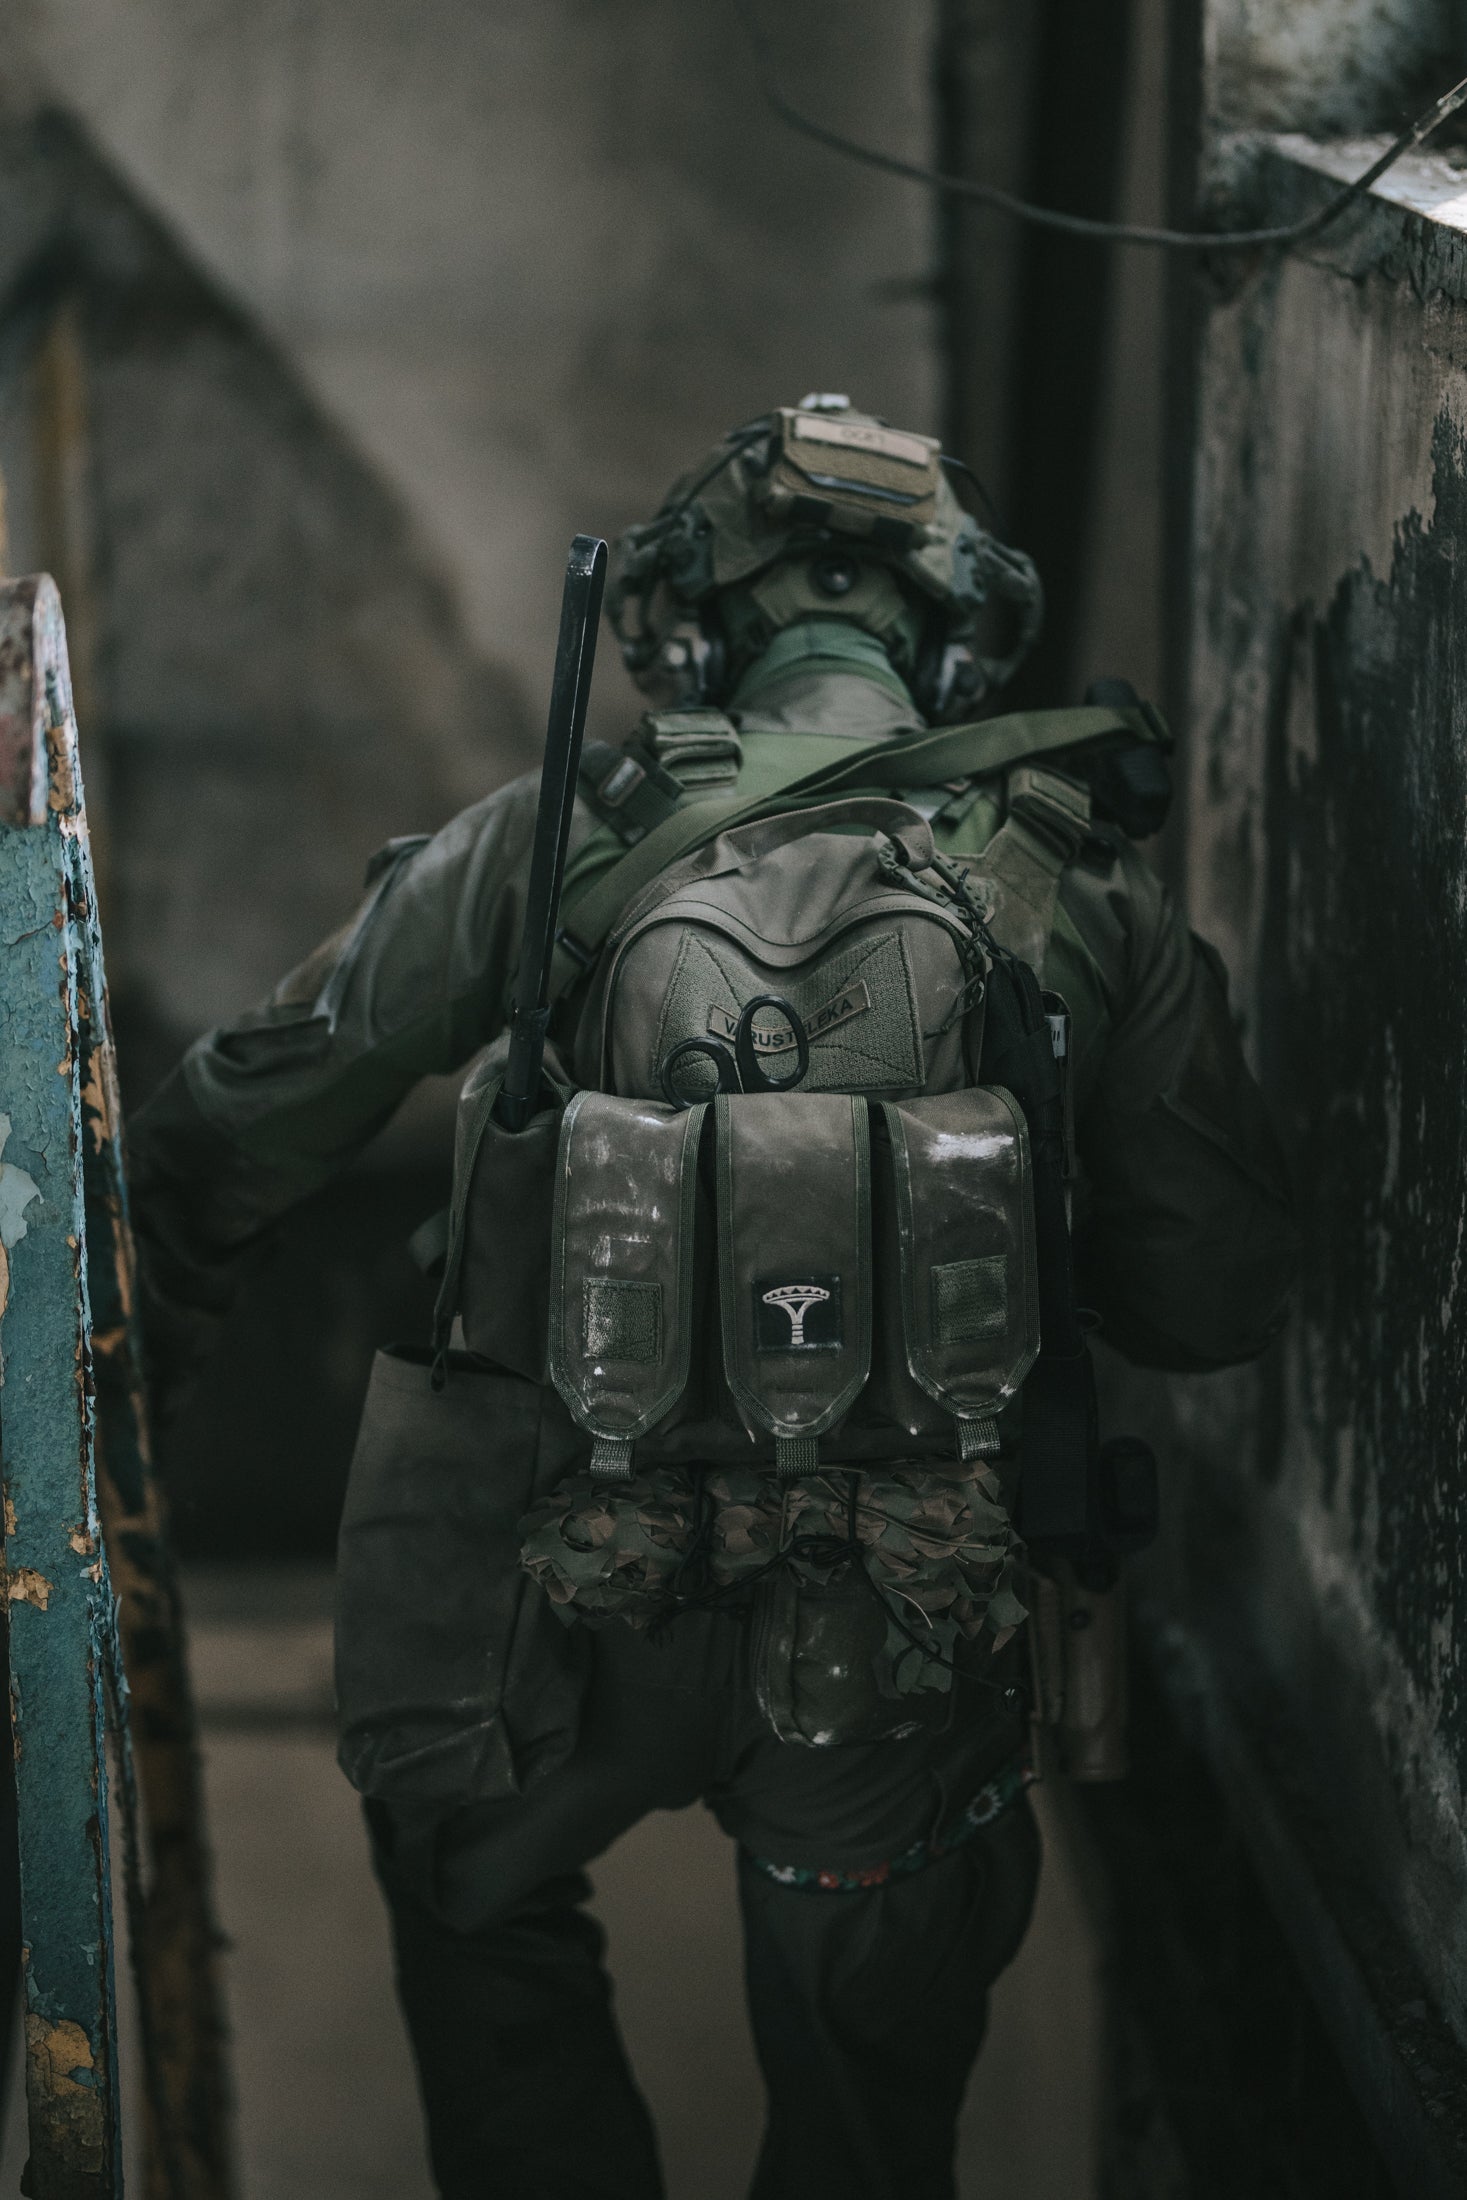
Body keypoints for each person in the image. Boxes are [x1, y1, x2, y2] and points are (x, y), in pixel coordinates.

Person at [129, 396, 1296, 2200]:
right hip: (900, 1652)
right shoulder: (1083, 885)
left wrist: (140, 1411)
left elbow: (232, 1127)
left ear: (695, 617)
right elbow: (1213, 1297)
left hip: (557, 1613)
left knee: (468, 1880)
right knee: (864, 2111)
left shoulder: (555, 843)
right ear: (952, 622)